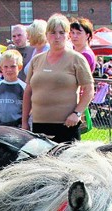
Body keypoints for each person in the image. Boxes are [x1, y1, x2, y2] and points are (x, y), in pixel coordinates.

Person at [22, 13, 94, 143]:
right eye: (53, 32)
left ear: (68, 35)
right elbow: (28, 92)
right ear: (46, 35)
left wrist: (77, 113)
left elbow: (89, 90)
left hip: (67, 125)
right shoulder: (36, 60)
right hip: (39, 125)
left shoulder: (77, 59)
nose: (57, 37)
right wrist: (24, 122)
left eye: (61, 32)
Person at [0, 50, 26, 128]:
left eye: (13, 66)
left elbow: (28, 113)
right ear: (1, 68)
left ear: (19, 67)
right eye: (6, 67)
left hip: (18, 130)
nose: (9, 70)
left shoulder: (24, 87)